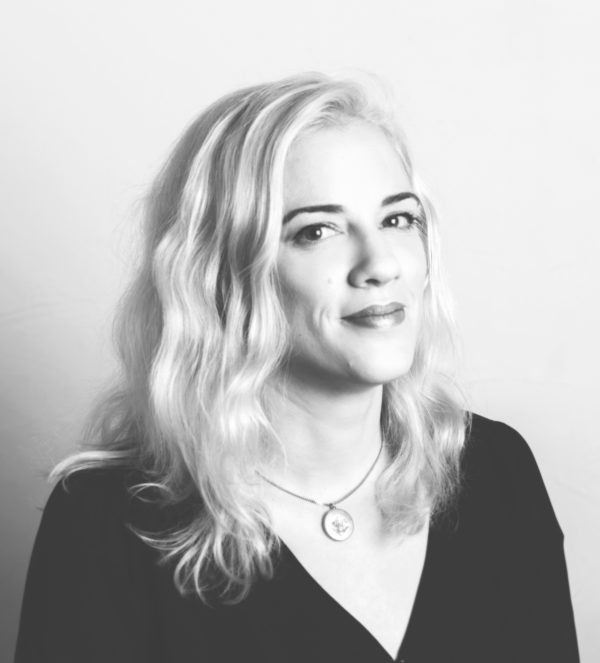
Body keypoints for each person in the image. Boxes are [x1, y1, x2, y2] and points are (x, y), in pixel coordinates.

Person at [15, 72, 579, 663]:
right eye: (316, 231)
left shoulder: (496, 469)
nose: (380, 264)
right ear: (221, 275)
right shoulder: (106, 525)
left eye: (397, 220)